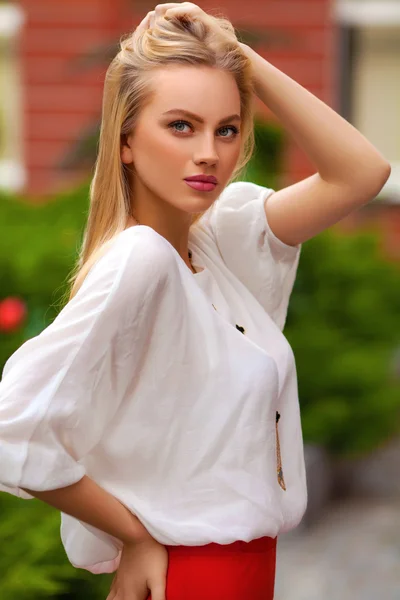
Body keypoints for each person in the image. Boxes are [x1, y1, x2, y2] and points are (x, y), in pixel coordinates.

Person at [0, 3, 391, 599]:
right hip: (191, 574)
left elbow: (361, 174)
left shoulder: (220, 238)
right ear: (126, 141)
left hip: (249, 569)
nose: (209, 152)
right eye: (181, 125)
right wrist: (132, 535)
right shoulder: (141, 259)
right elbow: (13, 431)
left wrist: (235, 55)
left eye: (226, 128)